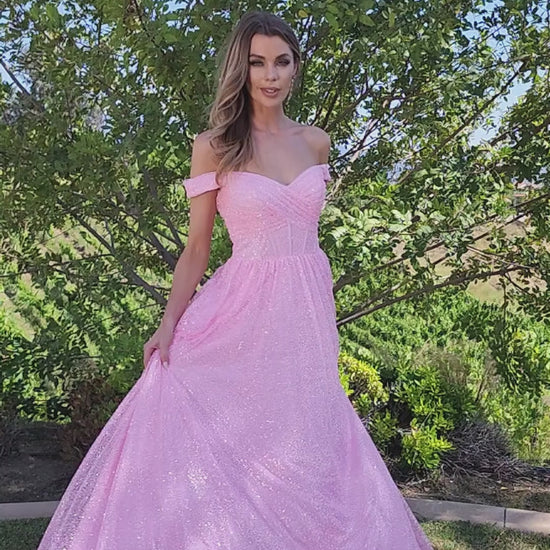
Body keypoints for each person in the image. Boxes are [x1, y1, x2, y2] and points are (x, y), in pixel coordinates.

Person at [37, 10, 433, 550]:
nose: (270, 75)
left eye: (281, 62)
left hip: (306, 315)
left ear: (295, 67)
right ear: (240, 69)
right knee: (236, 435)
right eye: (257, 62)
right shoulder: (214, 146)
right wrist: (168, 322)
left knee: (308, 435)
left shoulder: (316, 142)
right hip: (241, 312)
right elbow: (197, 248)